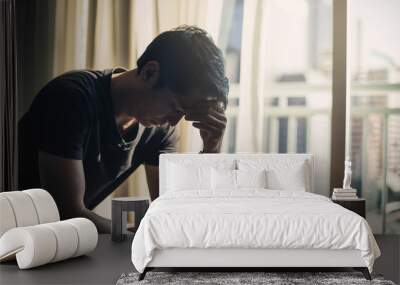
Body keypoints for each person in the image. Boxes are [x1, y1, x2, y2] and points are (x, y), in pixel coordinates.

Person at [18, 26, 229, 233]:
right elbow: (66, 213)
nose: (173, 122)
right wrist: (136, 237)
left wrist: (212, 148)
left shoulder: (159, 130)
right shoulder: (71, 99)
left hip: (58, 240)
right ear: (149, 72)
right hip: (15, 233)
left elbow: (168, 213)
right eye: (175, 108)